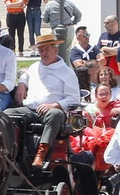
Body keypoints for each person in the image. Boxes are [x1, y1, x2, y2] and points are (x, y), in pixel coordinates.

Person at [9, 33, 81, 169]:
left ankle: (40, 155)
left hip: (53, 111)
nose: (43, 53)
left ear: (55, 49)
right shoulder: (35, 66)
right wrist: (22, 84)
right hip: (30, 109)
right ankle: (12, 151)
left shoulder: (67, 72)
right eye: (41, 50)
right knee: (8, 114)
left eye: (47, 49)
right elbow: (25, 76)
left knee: (54, 114)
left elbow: (74, 99)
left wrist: (54, 105)